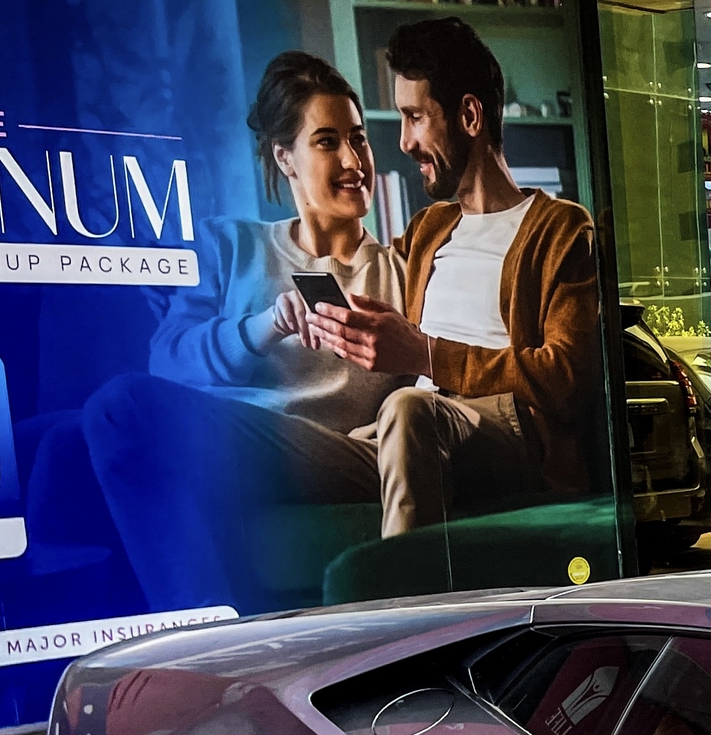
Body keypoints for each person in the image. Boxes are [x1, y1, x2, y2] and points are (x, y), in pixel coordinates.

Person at [84, 52, 404, 611]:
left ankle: (210, 639)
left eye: (359, 138)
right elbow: (169, 359)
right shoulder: (228, 243)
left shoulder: (401, 269)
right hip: (220, 432)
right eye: (327, 142)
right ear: (286, 157)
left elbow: (431, 379)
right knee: (63, 443)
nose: (354, 159)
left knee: (119, 405)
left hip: (327, 452)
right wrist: (263, 327)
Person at [308, 17, 600, 535]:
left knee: (408, 408)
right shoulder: (429, 229)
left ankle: (405, 611)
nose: (403, 142)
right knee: (246, 440)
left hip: (505, 433)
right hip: (404, 432)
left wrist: (423, 355)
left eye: (415, 117)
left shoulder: (562, 229)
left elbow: (566, 380)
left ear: (468, 115)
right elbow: (370, 276)